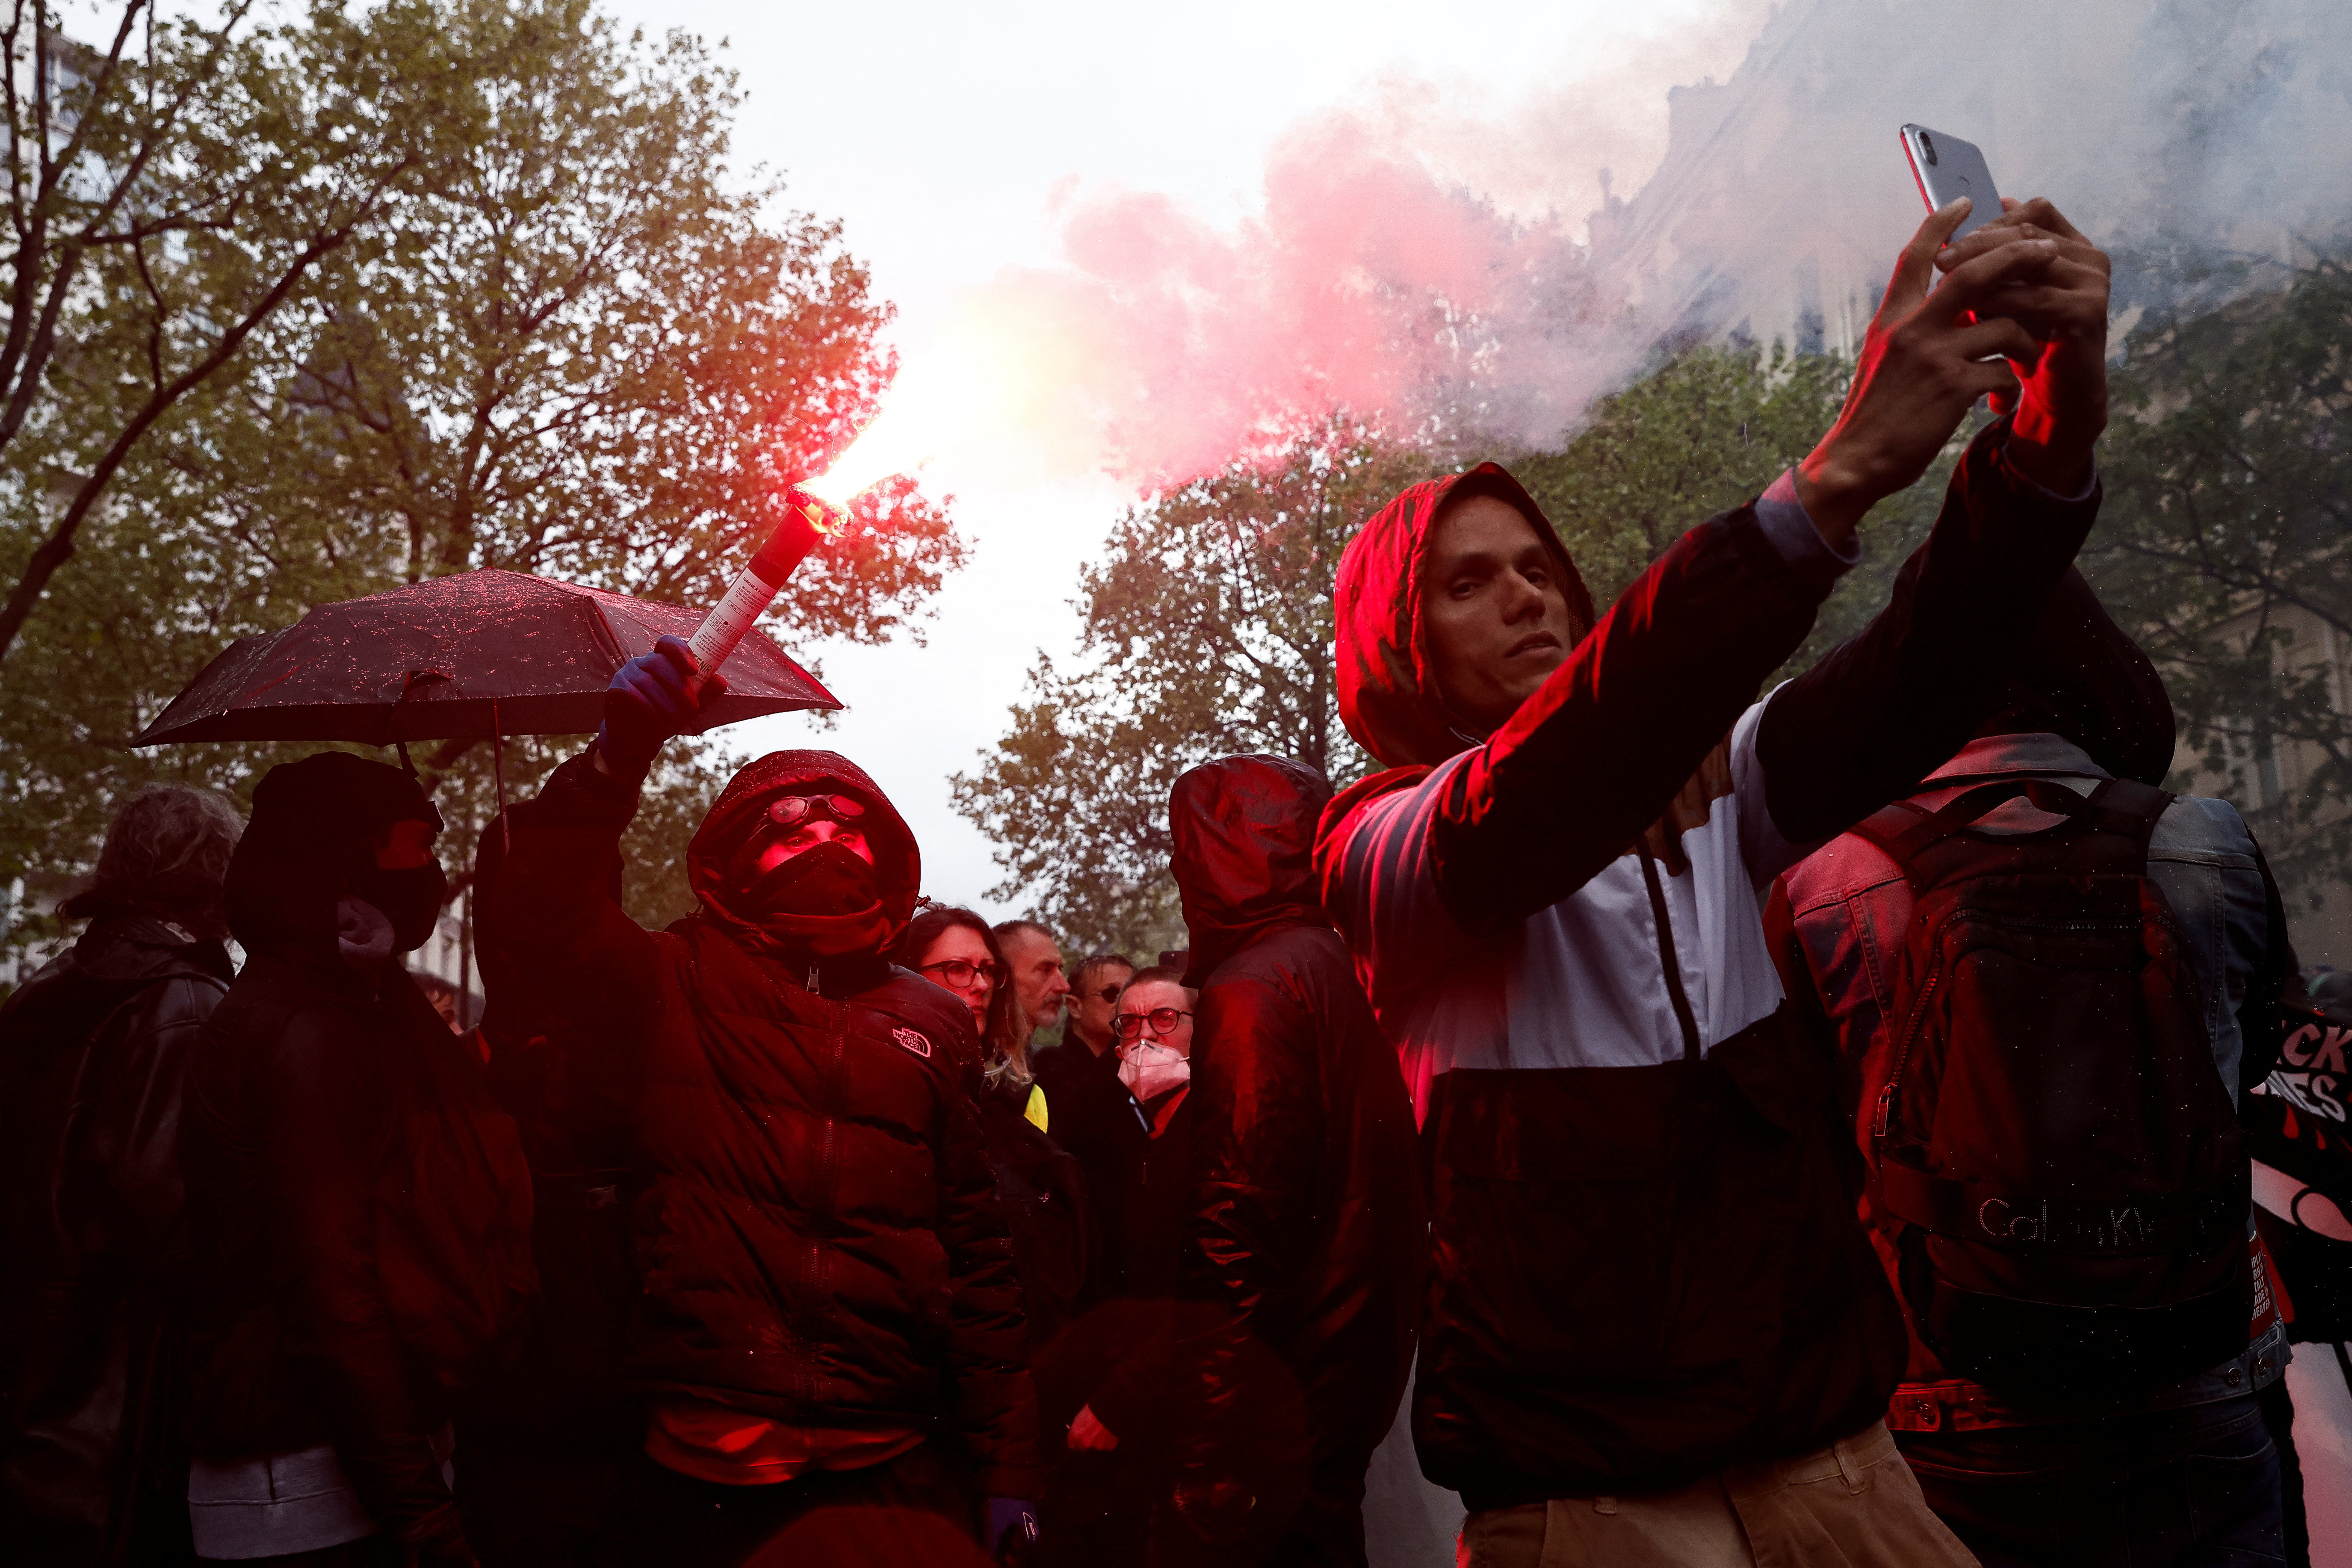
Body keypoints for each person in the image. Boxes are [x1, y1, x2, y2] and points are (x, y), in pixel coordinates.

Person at [1316, 195, 2111, 1564]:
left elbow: (1922, 663)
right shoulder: (1378, 849)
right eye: (1465, 583)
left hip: (1836, 1461)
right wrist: (1839, 472)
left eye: (1536, 568)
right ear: (1400, 647)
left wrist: (2044, 452)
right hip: (1594, 1501)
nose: (1521, 595)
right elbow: (1534, 798)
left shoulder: (1715, 781)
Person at [1771, 571, 2299, 1567]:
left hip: (1949, 1396)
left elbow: (1796, 1143)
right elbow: (2258, 1054)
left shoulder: (1823, 879)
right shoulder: (2205, 842)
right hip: (2194, 1379)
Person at [480, 637, 1038, 1567]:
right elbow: (540, 919)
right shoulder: (670, 977)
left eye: (847, 829)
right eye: (788, 830)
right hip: (703, 1465)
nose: (823, 844)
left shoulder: (931, 1019)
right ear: (736, 863)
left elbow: (977, 1260)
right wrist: (615, 762)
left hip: (887, 1458)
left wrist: (1010, 1467)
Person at [182, 753, 535, 1567]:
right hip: (307, 1480)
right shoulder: (305, 1028)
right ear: (349, 854)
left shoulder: (351, 1003)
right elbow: (331, 1285)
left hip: (352, 1456)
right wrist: (422, 1514)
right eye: (416, 845)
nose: (433, 873)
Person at [1162, 754, 1427, 1568]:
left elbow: (1237, 1217)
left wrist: (1210, 1438)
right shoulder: (1347, 968)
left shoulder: (1255, 990)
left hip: (1281, 1391)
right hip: (1344, 1368)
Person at [0, 784, 242, 1566]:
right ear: (216, 873)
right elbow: (174, 1224)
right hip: (115, 1398)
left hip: (34, 1376)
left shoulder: (47, 990)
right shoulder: (183, 1003)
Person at [1038, 968, 1203, 1568]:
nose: (1143, 1038)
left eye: (1164, 1019)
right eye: (1127, 1024)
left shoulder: (1214, 1134)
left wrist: (1125, 1396)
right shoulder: (1132, 1135)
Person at [904, 904, 1092, 1355]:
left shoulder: (1009, 1101)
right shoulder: (872, 1094)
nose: (981, 985)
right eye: (956, 969)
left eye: (989, 971)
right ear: (903, 975)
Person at [1030, 951, 1139, 1297]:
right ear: (1075, 1007)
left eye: (1130, 997)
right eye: (1112, 995)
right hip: (1084, 1249)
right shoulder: (1050, 1065)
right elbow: (1082, 1125)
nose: (1124, 1007)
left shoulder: (1142, 1067)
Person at [997, 919, 1073, 1051]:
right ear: (1002, 976)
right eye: (1045, 970)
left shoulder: (1040, 1064)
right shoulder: (967, 1061)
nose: (1064, 987)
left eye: (1060, 969)